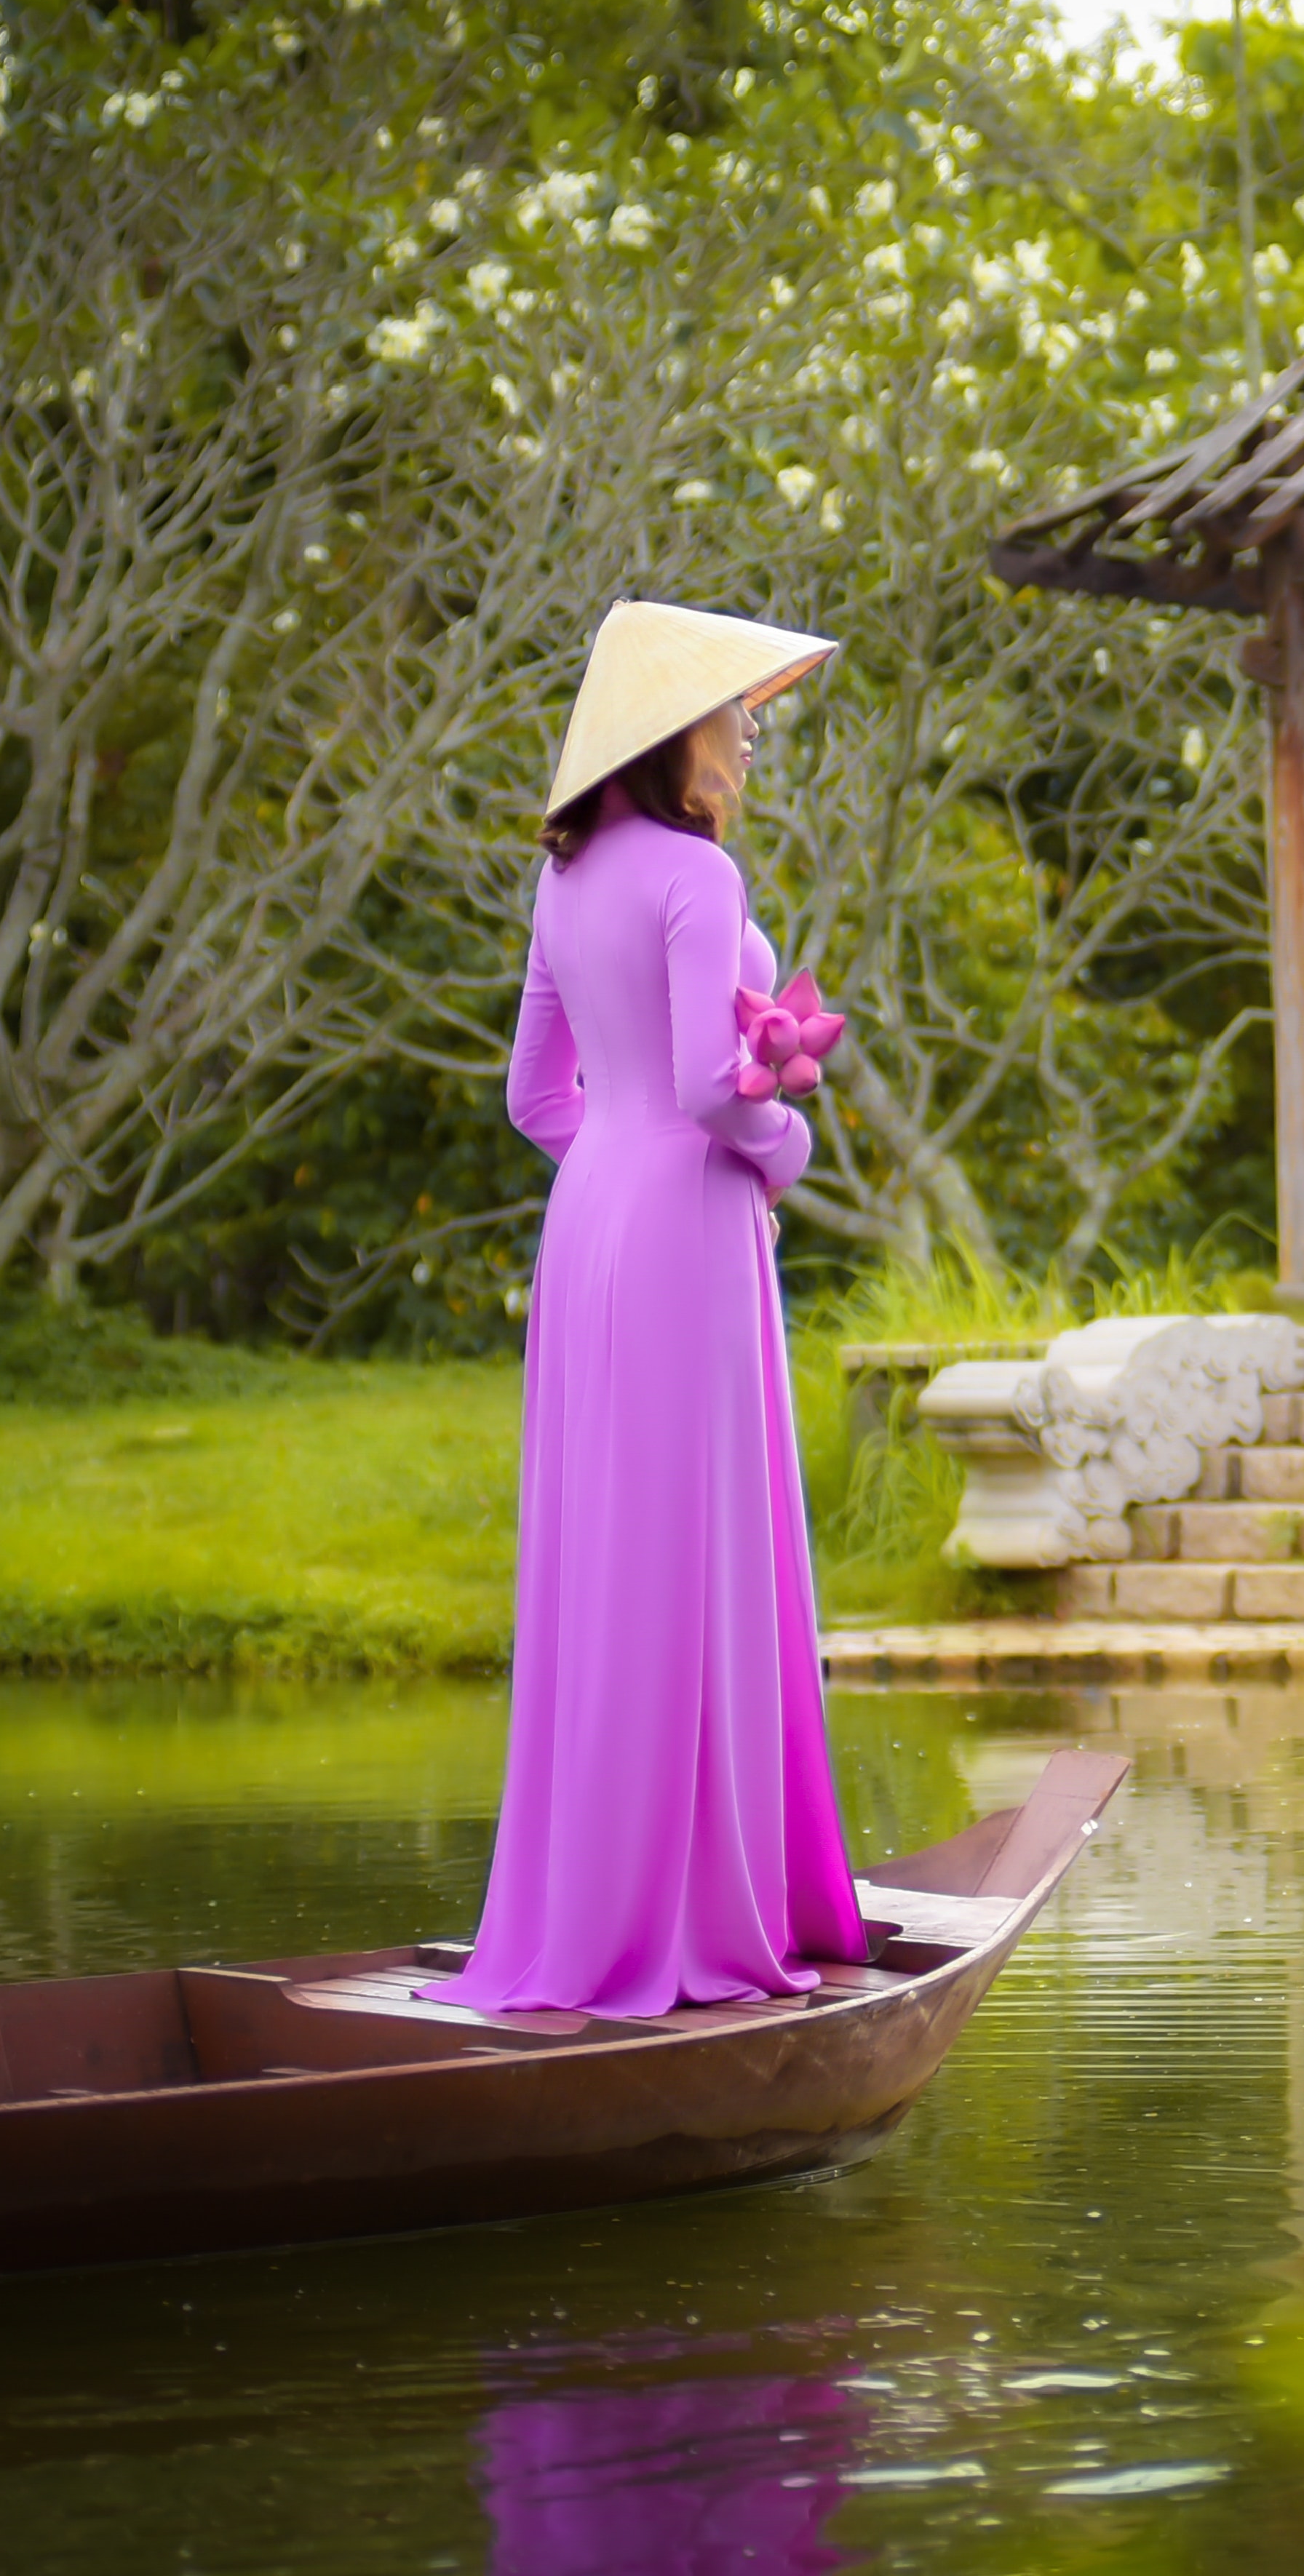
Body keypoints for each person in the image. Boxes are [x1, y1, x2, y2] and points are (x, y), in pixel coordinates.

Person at [427, 598, 868, 2020]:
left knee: (613, 1559)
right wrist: (786, 1150)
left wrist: (615, 1171)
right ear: (673, 730)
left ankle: (595, 1909)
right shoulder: (694, 878)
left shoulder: (564, 885)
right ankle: (697, 1926)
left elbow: (533, 1098)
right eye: (735, 709)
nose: (749, 731)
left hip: (592, 1227)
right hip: (684, 1229)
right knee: (697, 1558)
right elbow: (703, 1083)